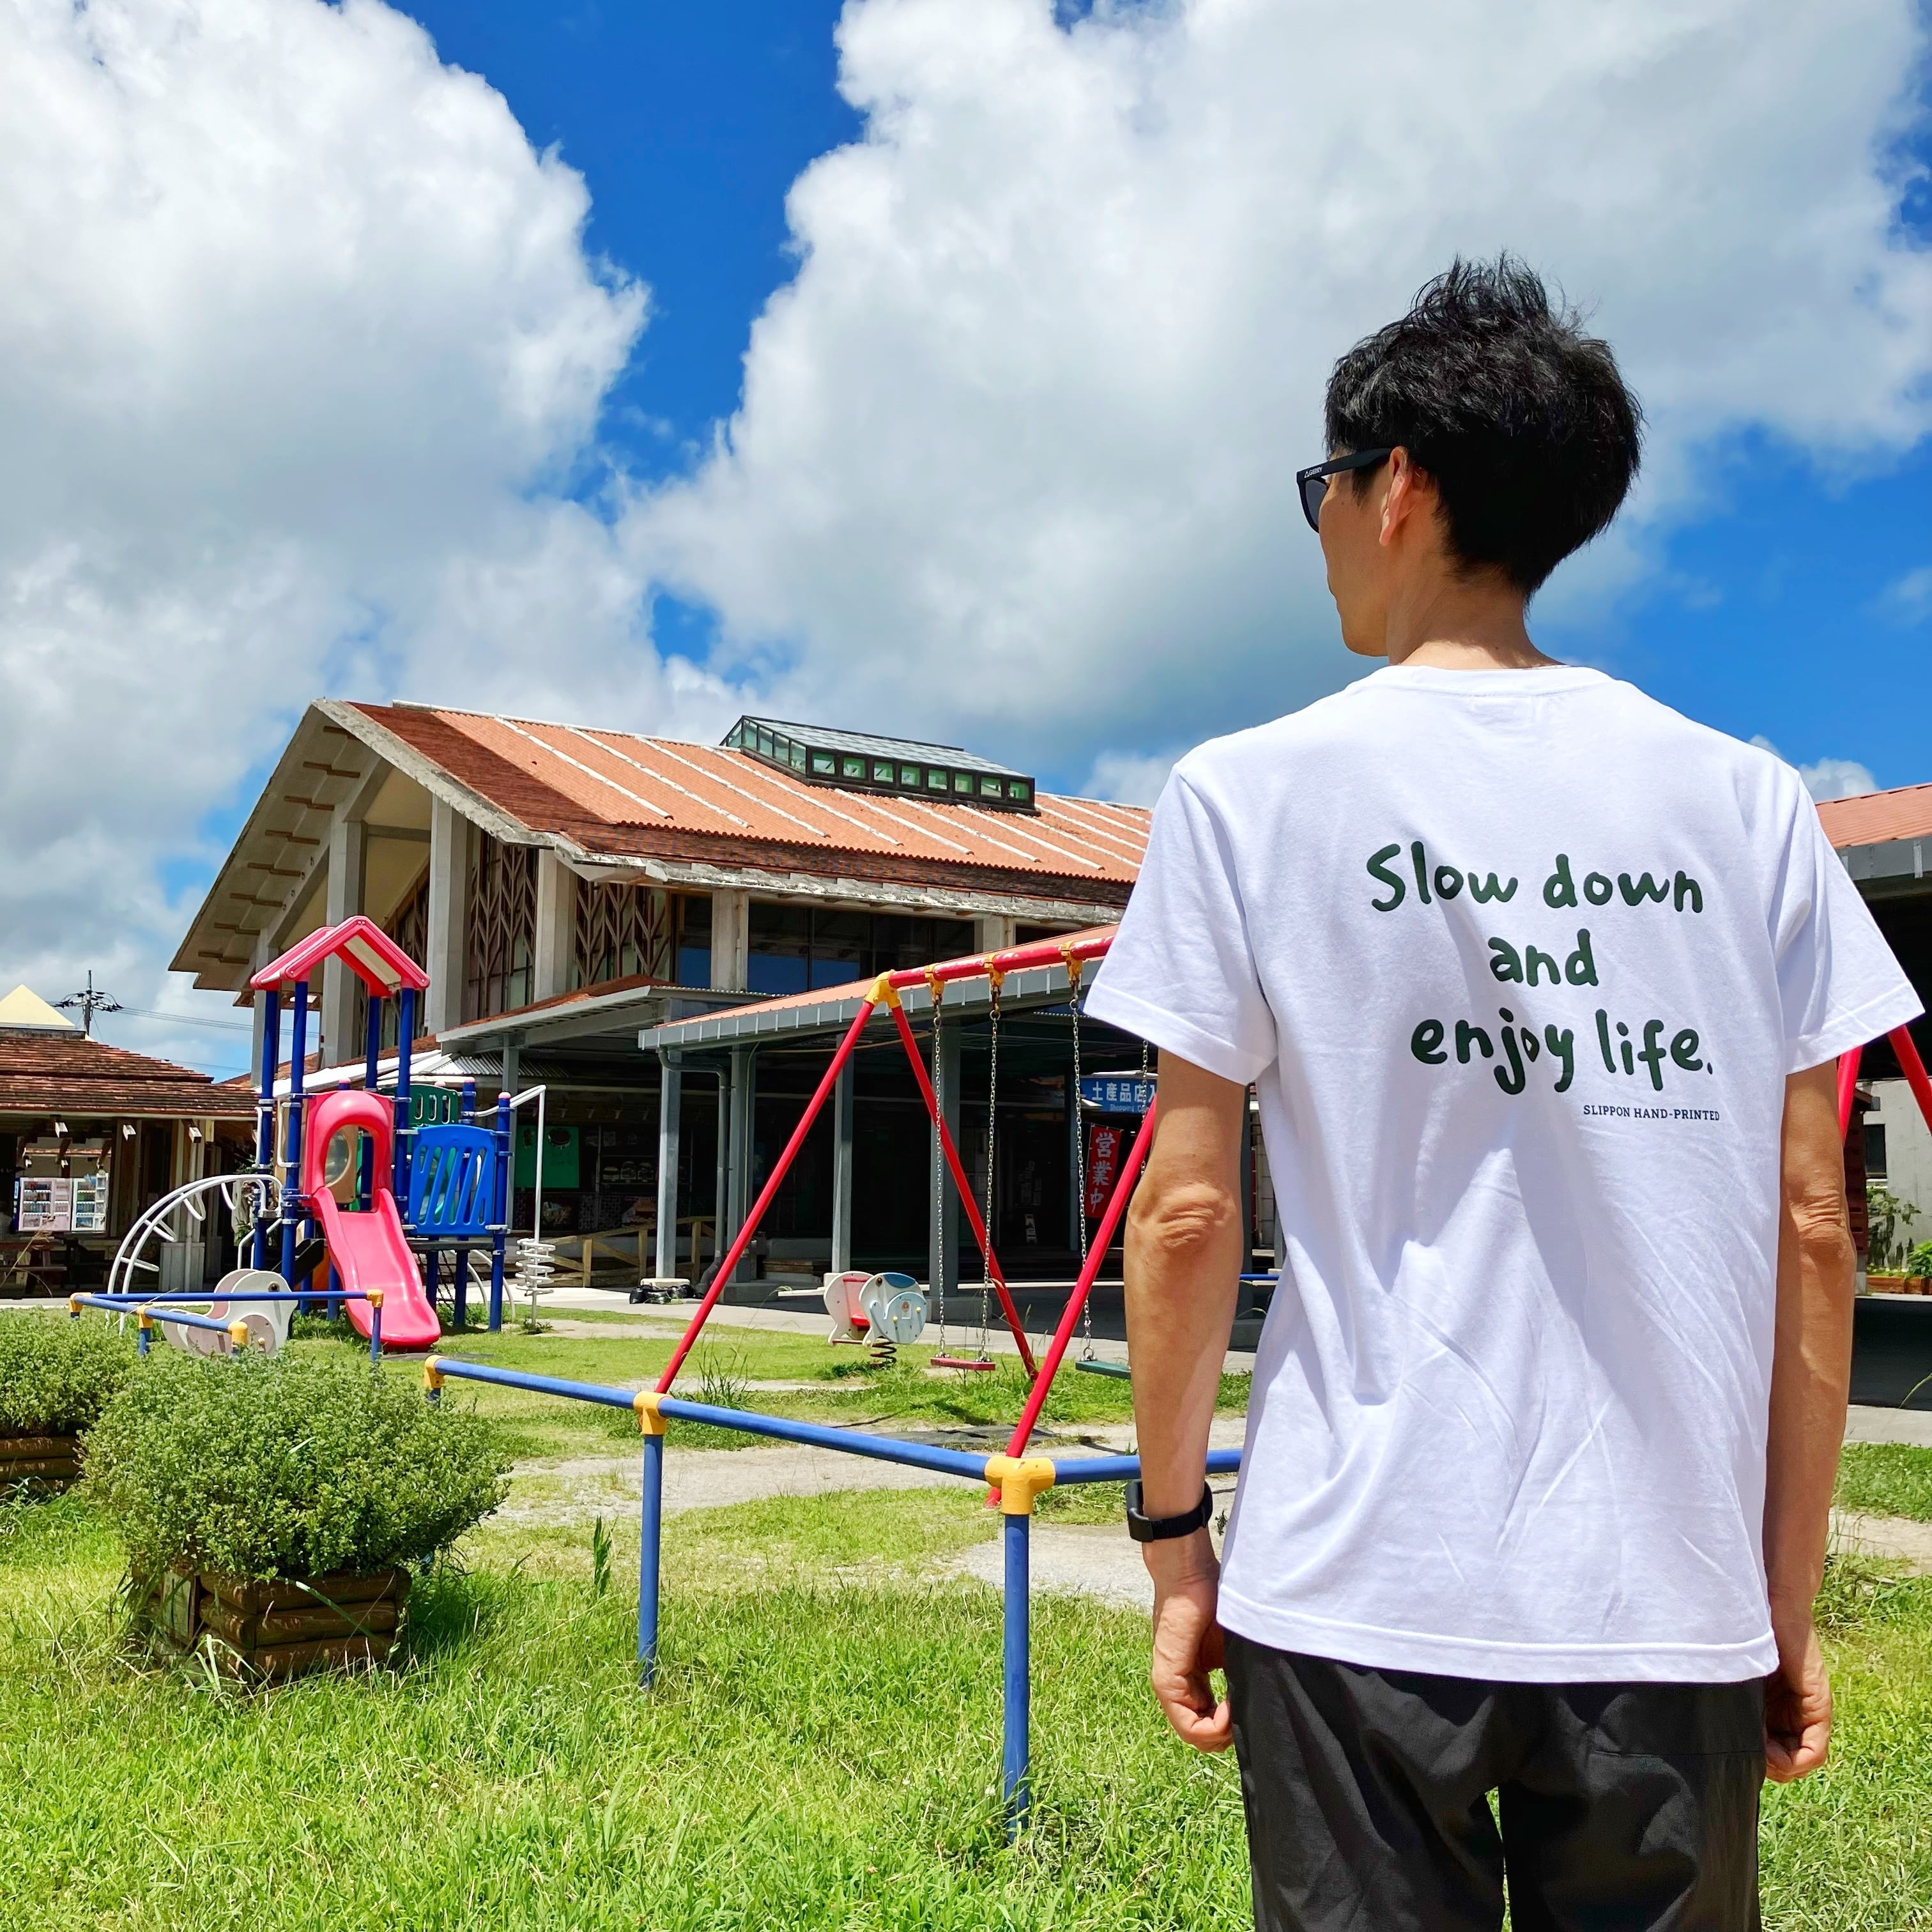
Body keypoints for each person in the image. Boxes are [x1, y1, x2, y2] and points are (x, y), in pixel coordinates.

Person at [1084, 257, 1920, 1932]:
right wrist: (1782, 1595)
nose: (1317, 521)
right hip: (1667, 1599)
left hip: (1355, 1580)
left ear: (1397, 487)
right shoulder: (1750, 806)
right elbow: (1813, 1225)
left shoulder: (1246, 796)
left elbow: (1185, 1210)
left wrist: (1177, 1533)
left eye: (1321, 485)